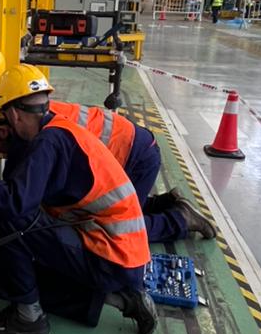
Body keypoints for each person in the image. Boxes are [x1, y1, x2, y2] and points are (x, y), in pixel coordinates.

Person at [0, 65, 157, 334]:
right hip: (120, 254)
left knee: (11, 220)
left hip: (111, 254)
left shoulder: (49, 143)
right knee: (26, 273)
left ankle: (28, 320)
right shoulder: (58, 130)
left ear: (14, 115)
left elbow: (11, 205)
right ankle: (122, 300)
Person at [47, 98, 215, 241]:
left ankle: (181, 219)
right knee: (92, 208)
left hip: (135, 161)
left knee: (110, 233)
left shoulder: (43, 133)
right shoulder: (42, 110)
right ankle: (164, 203)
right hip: (135, 148)